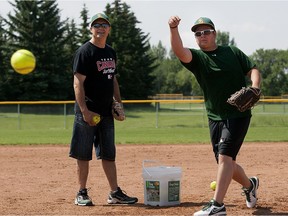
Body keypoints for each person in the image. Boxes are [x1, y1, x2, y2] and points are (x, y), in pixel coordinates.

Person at [168, 16, 261, 215]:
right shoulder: (198, 59)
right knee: (225, 162)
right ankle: (250, 185)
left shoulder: (232, 52)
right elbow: (179, 51)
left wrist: (255, 87)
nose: (202, 35)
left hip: (238, 114)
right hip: (214, 116)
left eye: (206, 31)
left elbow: (252, 69)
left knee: (225, 156)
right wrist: (173, 28)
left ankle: (217, 205)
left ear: (214, 33)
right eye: (198, 33)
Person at [69, 13, 138, 206]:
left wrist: (118, 103)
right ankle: (81, 193)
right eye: (97, 25)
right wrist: (84, 111)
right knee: (83, 153)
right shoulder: (84, 52)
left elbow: (113, 79)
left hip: (107, 111)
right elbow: (77, 83)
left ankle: (114, 193)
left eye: (104, 25)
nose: (101, 28)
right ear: (91, 29)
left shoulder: (110, 52)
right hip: (88, 112)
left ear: (109, 29)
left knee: (108, 153)